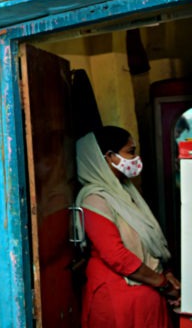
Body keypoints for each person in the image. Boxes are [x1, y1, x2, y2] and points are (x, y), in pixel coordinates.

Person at [75, 126, 181, 327]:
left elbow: (148, 242)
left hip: (147, 296)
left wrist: (165, 274)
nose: (136, 158)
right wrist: (164, 284)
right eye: (130, 152)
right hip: (118, 300)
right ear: (109, 157)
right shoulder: (95, 199)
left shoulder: (125, 194)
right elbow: (117, 256)